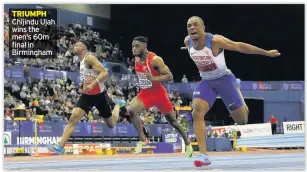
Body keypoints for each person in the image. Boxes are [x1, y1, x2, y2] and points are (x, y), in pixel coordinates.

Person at [183, 16, 280, 167]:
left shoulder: (215, 41)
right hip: (207, 82)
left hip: (224, 79)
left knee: (242, 120)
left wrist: (266, 53)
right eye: (189, 26)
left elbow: (239, 46)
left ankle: (237, 89)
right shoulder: (187, 42)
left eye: (196, 25)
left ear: (203, 28)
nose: (192, 28)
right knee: (197, 111)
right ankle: (204, 155)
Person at [47, 40, 121, 154]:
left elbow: (104, 73)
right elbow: (87, 76)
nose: (74, 46)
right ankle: (60, 146)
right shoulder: (81, 61)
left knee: (111, 124)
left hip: (99, 95)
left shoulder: (89, 58)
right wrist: (84, 85)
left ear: (84, 47)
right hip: (87, 95)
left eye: (77, 45)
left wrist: (92, 84)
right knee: (73, 117)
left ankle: (118, 105)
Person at [129, 36, 193, 157]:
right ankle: (143, 140)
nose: (134, 49)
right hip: (145, 94)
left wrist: (153, 78)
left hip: (159, 94)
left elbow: (170, 76)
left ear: (145, 46)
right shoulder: (136, 59)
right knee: (132, 110)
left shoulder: (155, 60)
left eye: (137, 46)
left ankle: (187, 142)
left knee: (173, 122)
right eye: (132, 46)